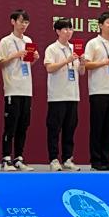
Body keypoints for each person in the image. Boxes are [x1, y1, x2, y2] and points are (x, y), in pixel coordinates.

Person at [0, 8, 34, 171]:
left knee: (23, 125)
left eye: (26, 22)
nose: (23, 25)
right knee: (10, 125)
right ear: (13, 22)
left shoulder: (28, 40)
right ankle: (6, 158)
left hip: (27, 88)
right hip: (12, 88)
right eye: (21, 21)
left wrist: (33, 59)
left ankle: (19, 157)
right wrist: (14, 55)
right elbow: (0, 63)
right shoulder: (6, 41)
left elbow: (26, 64)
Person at [44, 17, 83, 171]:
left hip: (73, 95)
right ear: (58, 31)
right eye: (65, 29)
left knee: (70, 128)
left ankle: (67, 158)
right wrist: (67, 60)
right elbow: (49, 68)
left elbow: (81, 72)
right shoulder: (52, 48)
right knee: (54, 129)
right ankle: (54, 159)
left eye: (70, 29)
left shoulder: (75, 48)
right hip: (57, 96)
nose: (69, 32)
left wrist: (83, 63)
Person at [83, 11, 109, 170]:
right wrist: (106, 62)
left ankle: (106, 159)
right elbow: (87, 64)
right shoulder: (93, 43)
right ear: (100, 25)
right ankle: (96, 161)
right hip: (98, 90)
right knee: (97, 127)